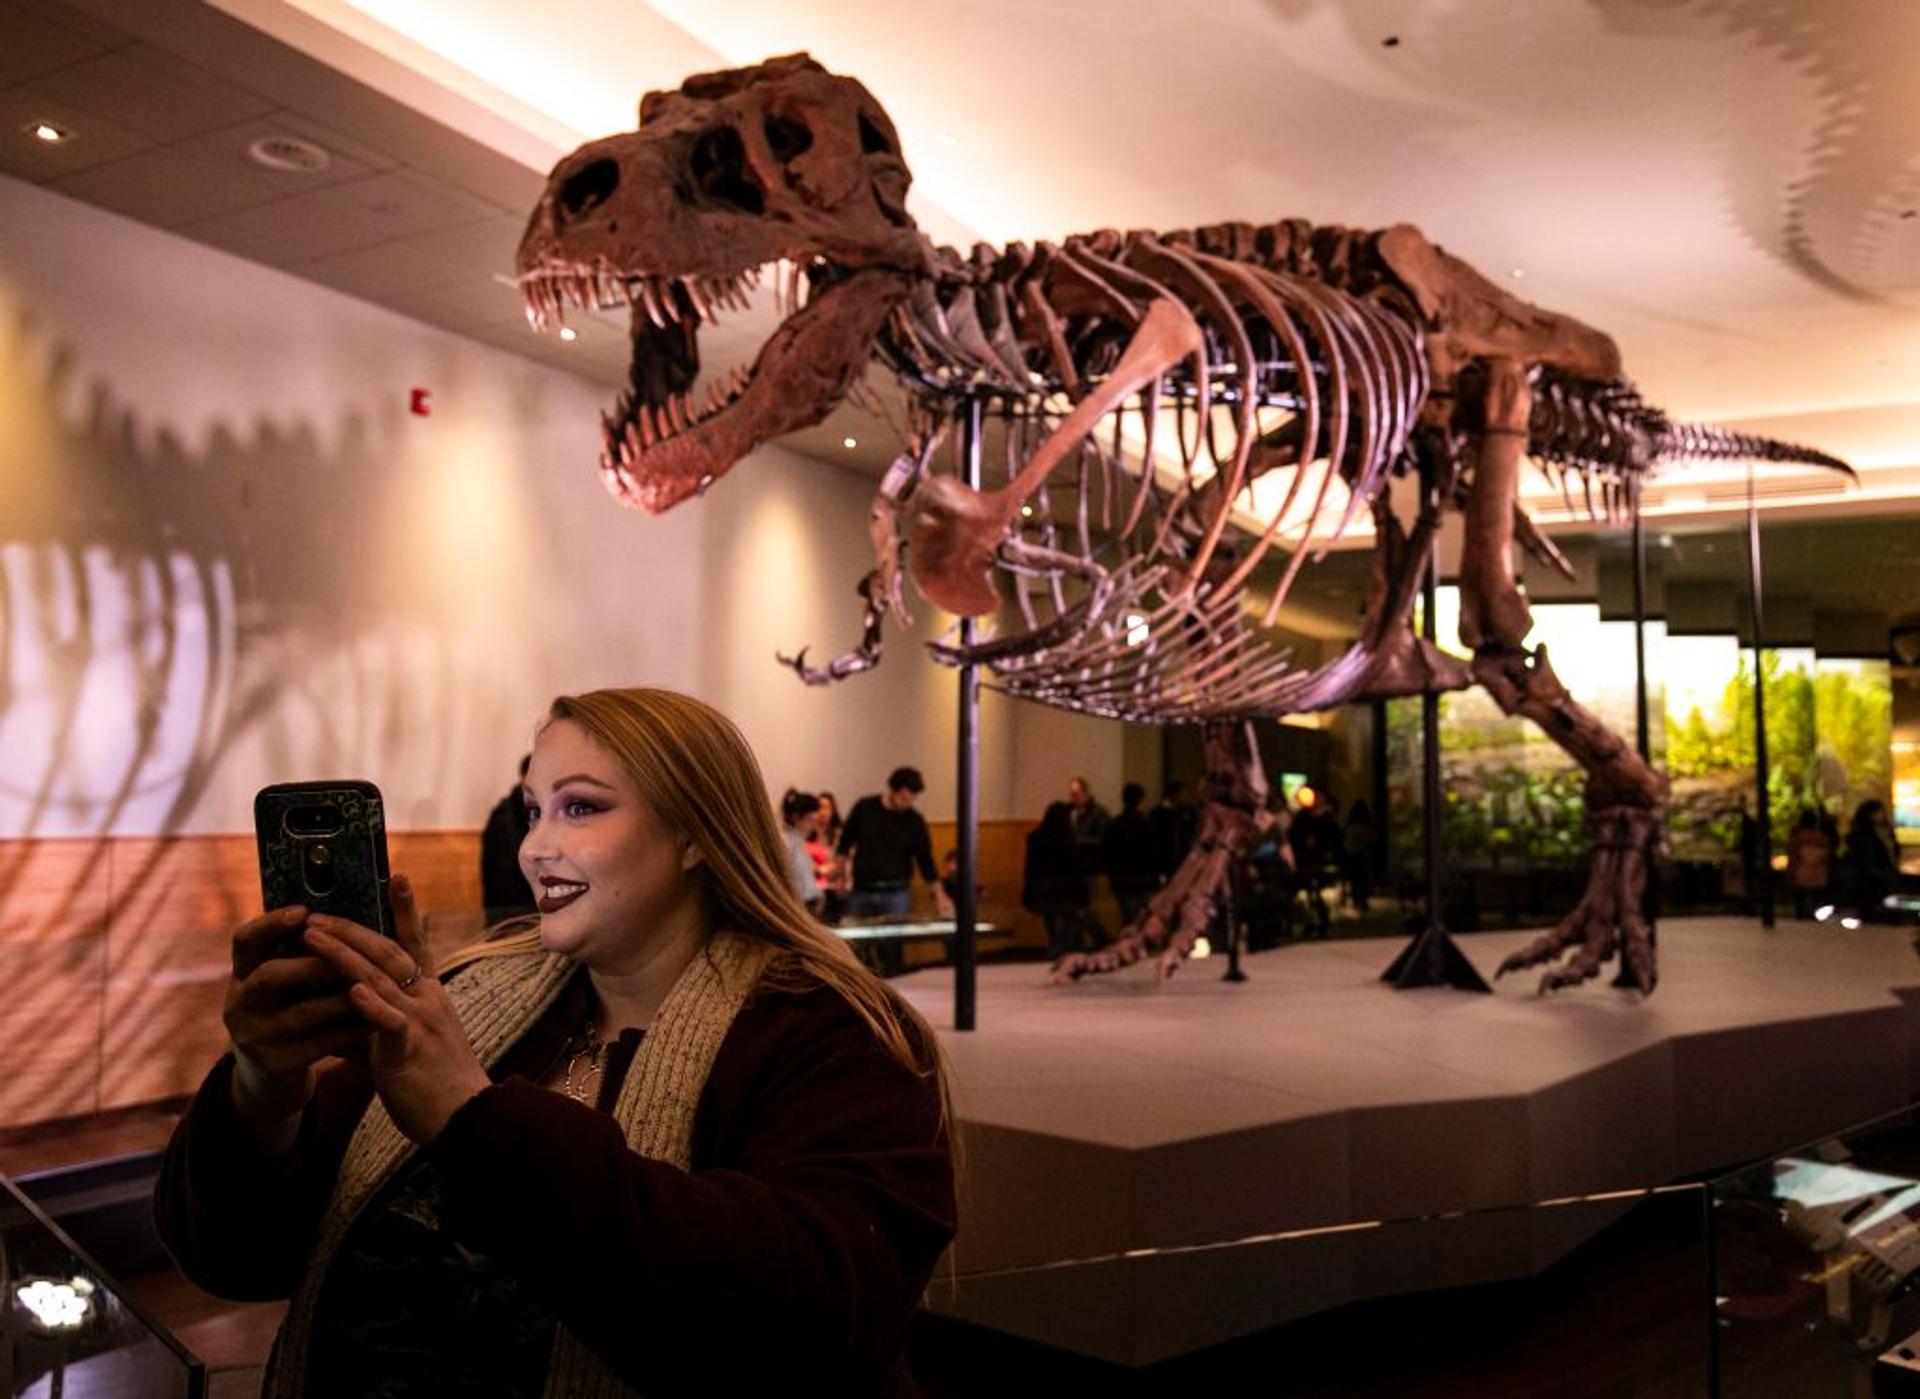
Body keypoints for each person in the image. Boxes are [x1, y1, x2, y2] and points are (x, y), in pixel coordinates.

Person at [157, 688, 956, 1397]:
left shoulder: (835, 1036)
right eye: (532, 808)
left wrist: (471, 1116)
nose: (535, 846)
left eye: (581, 807)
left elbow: (808, 1320)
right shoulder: (474, 1001)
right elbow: (240, 1260)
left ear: (693, 834)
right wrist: (264, 1092)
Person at [838, 767, 953, 974]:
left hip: (896, 890)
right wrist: (839, 877)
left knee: (892, 946)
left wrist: (939, 895)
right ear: (891, 789)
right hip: (862, 888)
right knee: (853, 943)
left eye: (911, 799)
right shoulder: (865, 809)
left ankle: (892, 984)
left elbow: (925, 860)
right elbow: (844, 844)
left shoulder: (914, 820)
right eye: (902, 797)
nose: (905, 803)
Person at [1022, 802, 1094, 961]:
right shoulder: (1067, 838)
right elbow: (1075, 869)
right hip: (1065, 893)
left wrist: (1028, 893)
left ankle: (1055, 953)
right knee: (1066, 930)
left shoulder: (1035, 838)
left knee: (1053, 928)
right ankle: (1060, 954)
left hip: (1042, 890)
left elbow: (1030, 868)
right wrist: (1083, 894)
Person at [479, 755, 537, 923]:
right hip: (510, 915)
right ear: (522, 776)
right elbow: (502, 879)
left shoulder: (532, 811)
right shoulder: (504, 817)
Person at [1101, 782, 1160, 928]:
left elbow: (1107, 851)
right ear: (1141, 800)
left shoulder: (1115, 824)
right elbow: (1151, 853)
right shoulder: (1145, 825)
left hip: (1120, 879)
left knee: (1127, 918)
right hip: (1140, 880)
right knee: (1139, 920)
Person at [1842, 798, 1899, 909]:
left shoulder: (1886, 831)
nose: (1881, 815)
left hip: (1886, 872)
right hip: (1870, 875)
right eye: (1878, 812)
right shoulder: (1863, 834)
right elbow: (1865, 856)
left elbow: (1893, 849)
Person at [779, 788, 825, 916]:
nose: (813, 825)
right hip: (797, 904)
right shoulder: (787, 843)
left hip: (804, 902)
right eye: (810, 820)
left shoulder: (798, 843)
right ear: (796, 817)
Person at [1785, 807, 1833, 921]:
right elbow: (1827, 858)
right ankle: (1814, 917)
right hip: (1818, 873)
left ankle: (1801, 917)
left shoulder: (1797, 839)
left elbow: (1793, 857)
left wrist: (1790, 874)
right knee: (1816, 898)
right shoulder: (1822, 838)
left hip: (1802, 872)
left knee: (1801, 898)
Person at [1148, 780, 1198, 881]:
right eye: (1183, 793)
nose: (1185, 796)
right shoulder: (1157, 813)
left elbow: (1193, 829)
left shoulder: (1188, 811)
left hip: (1184, 857)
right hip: (1164, 858)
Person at [1343, 799, 1376, 913]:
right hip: (1362, 854)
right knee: (1363, 878)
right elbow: (1370, 839)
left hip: (1353, 854)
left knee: (1356, 878)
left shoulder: (1351, 824)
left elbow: (1348, 842)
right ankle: (1362, 900)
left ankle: (1357, 899)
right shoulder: (1366, 824)